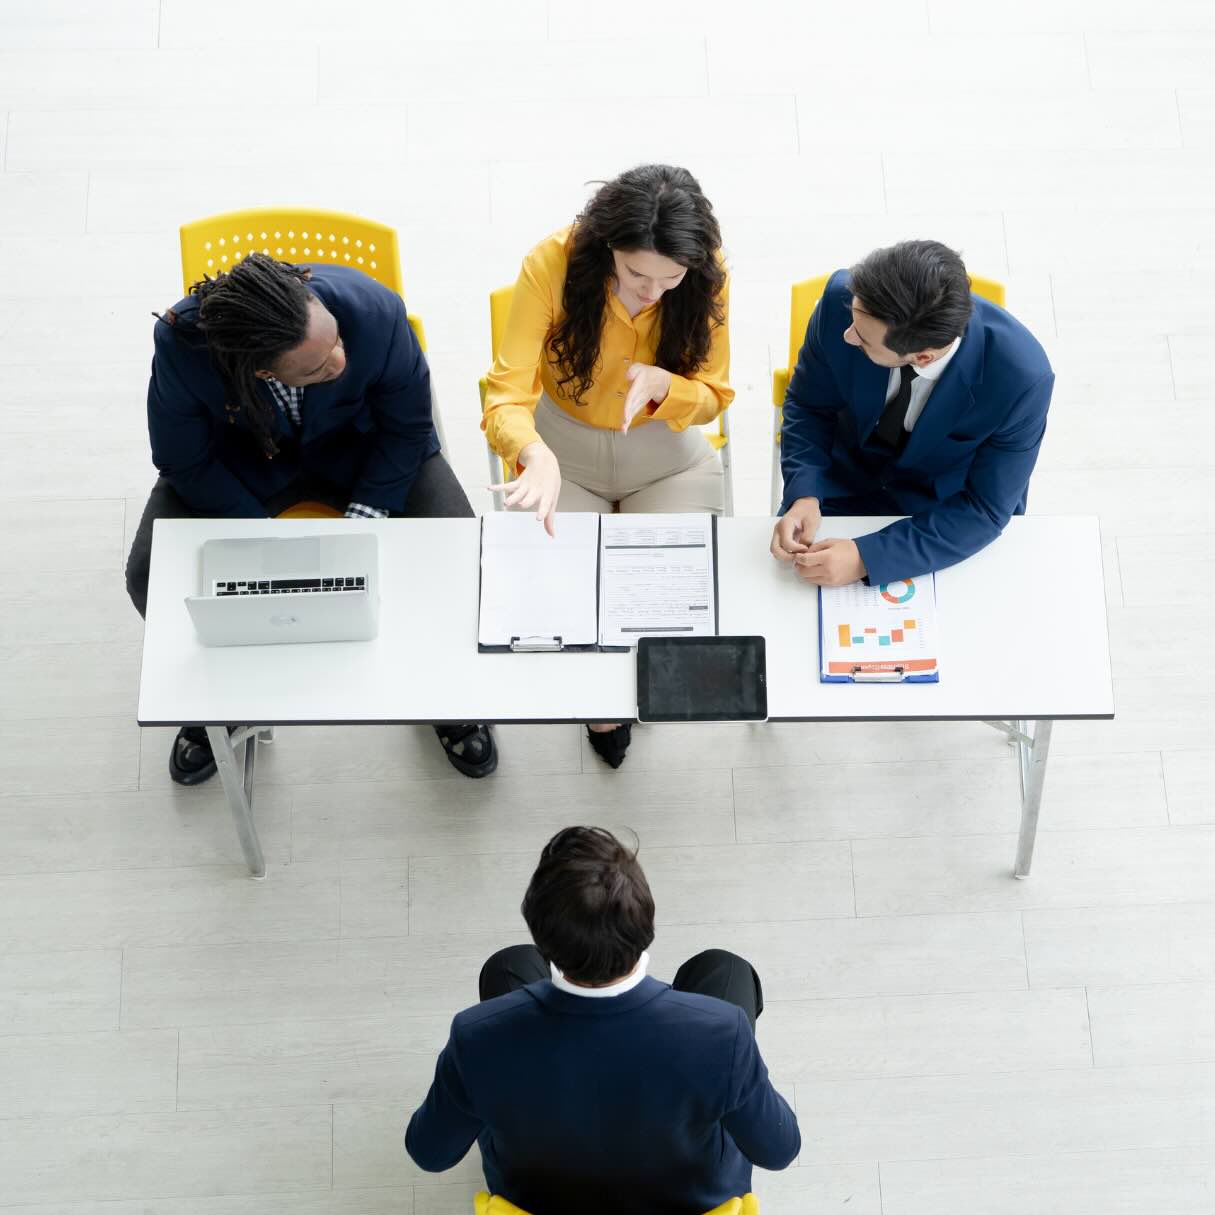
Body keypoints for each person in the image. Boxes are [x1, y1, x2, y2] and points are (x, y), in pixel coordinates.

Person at [126, 253, 497, 784]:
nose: (340, 362)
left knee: (459, 552)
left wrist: (366, 517)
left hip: (365, 453)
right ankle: (227, 698)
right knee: (149, 573)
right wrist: (261, 538)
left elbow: (407, 427)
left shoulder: (375, 310)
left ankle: (444, 694)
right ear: (261, 370)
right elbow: (183, 459)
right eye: (318, 368)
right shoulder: (183, 345)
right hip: (243, 467)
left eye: (338, 342)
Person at [405, 827, 799, 1215]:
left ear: (545, 943)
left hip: (538, 1197)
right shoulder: (723, 1033)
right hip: (689, 1198)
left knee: (508, 966)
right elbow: (778, 1150)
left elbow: (432, 1153)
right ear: (647, 926)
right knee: (724, 969)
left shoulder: (476, 1036)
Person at [482, 164, 734, 769]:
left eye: (670, 278)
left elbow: (715, 396)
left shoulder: (708, 275)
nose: (652, 292)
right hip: (561, 449)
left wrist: (667, 386)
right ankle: (603, 706)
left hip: (665, 456)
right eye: (635, 273)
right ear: (607, 250)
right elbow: (504, 394)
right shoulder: (552, 264)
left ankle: (634, 693)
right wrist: (531, 452)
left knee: (665, 599)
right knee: (561, 600)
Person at [770, 239, 1054, 588]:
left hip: (935, 518)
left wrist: (866, 557)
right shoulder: (840, 301)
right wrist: (804, 493)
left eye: (862, 338)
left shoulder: (1021, 379)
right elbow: (808, 405)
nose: (848, 335)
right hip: (834, 486)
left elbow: (985, 508)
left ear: (923, 356)